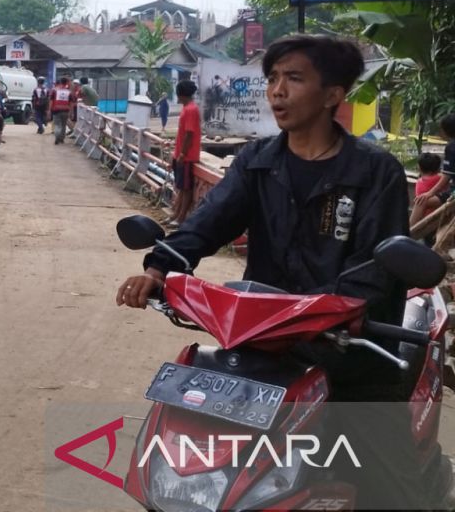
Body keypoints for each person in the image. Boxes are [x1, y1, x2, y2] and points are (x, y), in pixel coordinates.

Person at [116, 35, 446, 510]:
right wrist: (159, 267)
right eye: (272, 78)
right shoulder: (257, 161)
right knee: (191, 452)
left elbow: (376, 266)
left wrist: (323, 312)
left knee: (388, 484)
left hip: (349, 354)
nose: (277, 91)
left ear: (333, 93)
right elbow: (209, 222)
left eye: (294, 78)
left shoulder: (377, 170)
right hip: (264, 347)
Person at [167, 79, 200, 225]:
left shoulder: (191, 110)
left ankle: (181, 218)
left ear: (182, 95)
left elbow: (189, 134)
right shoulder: (187, 108)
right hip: (181, 154)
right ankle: (176, 214)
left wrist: (182, 154)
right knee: (181, 186)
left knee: (186, 188)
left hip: (187, 156)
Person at [414, 113, 455, 222]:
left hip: (453, 192)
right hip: (451, 190)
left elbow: (447, 175)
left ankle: (407, 234)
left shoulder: (452, 147)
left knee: (421, 202)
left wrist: (429, 193)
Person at [410, 152, 445, 229]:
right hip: (443, 219)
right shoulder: (442, 179)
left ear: (419, 167)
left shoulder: (420, 182)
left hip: (425, 221)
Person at [49, 77, 73, 144]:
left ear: (60, 82)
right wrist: (71, 112)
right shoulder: (69, 92)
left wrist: (49, 110)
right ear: (66, 83)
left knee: (57, 125)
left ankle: (57, 136)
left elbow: (51, 101)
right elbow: (71, 103)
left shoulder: (54, 91)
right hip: (65, 110)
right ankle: (61, 138)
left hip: (56, 110)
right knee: (63, 125)